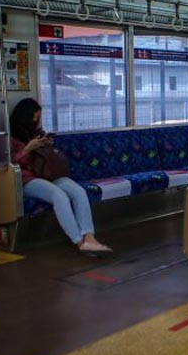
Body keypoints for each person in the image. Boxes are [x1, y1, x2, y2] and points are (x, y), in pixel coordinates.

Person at [9, 98, 112, 254]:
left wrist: (45, 145)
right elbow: (12, 163)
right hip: (27, 180)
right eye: (34, 117)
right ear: (25, 117)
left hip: (46, 174)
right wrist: (28, 148)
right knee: (59, 195)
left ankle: (89, 237)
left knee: (78, 192)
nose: (36, 121)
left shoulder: (36, 133)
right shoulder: (11, 138)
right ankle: (78, 241)